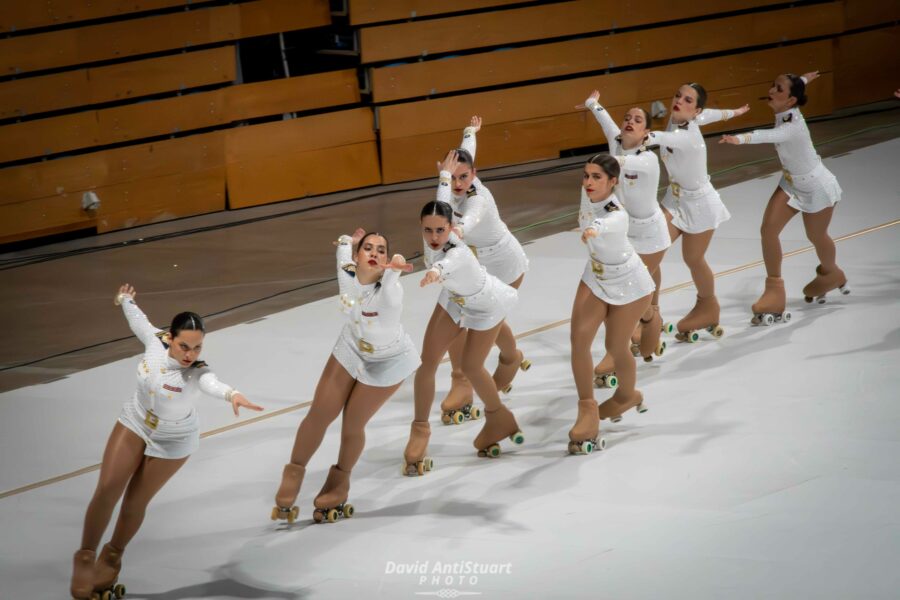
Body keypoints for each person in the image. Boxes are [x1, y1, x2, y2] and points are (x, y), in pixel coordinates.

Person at [71, 285, 262, 599]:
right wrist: (126, 299)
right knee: (108, 488)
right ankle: (85, 557)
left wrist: (233, 394)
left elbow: (212, 383)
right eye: (184, 346)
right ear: (170, 338)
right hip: (136, 420)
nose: (190, 355)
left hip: (174, 439)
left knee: (134, 502)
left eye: (197, 348)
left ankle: (112, 557)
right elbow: (140, 322)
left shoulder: (197, 371)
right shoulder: (155, 343)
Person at [272, 230, 419, 522]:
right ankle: (293, 473)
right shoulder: (347, 275)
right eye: (367, 248)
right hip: (352, 345)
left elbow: (391, 281)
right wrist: (345, 240)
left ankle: (339, 482)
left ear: (387, 259)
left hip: (388, 360)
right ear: (357, 257)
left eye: (381, 250)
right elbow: (341, 251)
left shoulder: (391, 290)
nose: (374, 253)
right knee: (320, 413)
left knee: (352, 424)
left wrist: (397, 267)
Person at [403, 201, 524, 476]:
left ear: (451, 228)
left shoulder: (457, 253)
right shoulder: (434, 238)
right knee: (427, 362)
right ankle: (420, 429)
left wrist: (433, 274)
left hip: (485, 304)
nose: (434, 238)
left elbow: (443, 267)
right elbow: (441, 195)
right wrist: (445, 176)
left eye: (440, 231)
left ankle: (499, 417)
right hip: (455, 298)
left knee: (472, 366)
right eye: (427, 230)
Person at [720, 71, 848, 319]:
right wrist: (805, 79)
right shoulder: (786, 108)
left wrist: (740, 138)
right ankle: (774, 291)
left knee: (816, 235)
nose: (771, 91)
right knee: (768, 230)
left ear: (790, 101)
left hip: (815, 186)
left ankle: (832, 273)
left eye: (778, 89)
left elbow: (768, 136)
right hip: (790, 183)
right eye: (773, 85)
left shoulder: (793, 126)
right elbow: (796, 86)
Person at [436, 117, 530, 426]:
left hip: (504, 263)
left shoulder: (479, 199)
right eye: (454, 177)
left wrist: (456, 231)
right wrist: (470, 131)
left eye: (465, 176)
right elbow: (467, 148)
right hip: (473, 264)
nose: (459, 183)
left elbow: (465, 223)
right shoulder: (451, 180)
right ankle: (497, 363)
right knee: (462, 315)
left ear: (474, 174)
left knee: (480, 319)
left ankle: (488, 367)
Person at [645, 83, 749, 342]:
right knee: (650, 252)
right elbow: (711, 113)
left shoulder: (687, 136)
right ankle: (650, 313)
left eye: (687, 100)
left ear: (695, 110)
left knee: (693, 259)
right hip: (674, 198)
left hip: (700, 204)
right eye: (678, 95)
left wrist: (636, 137)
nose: (679, 101)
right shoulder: (680, 117)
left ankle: (708, 306)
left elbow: (660, 138)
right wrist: (733, 113)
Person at [570, 154, 655, 451]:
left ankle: (627, 395)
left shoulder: (617, 211)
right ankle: (587, 408)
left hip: (629, 281)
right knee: (579, 341)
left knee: (615, 347)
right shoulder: (587, 194)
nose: (589, 182)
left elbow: (610, 222)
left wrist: (594, 230)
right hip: (595, 275)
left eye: (596, 177)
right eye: (586, 175)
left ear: (613, 182)